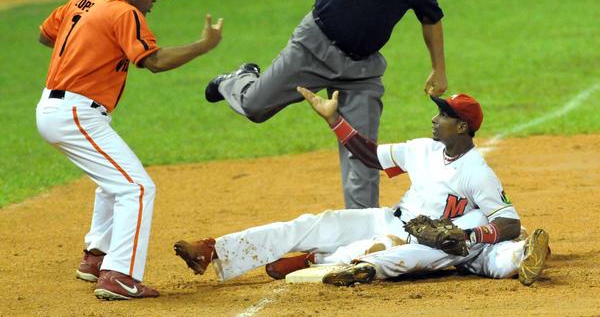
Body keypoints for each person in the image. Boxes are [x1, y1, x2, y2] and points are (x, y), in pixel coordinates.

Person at [173, 88, 550, 286]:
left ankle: (317, 260)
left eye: (444, 116)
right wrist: (335, 120)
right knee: (316, 223)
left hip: (426, 243)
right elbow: (370, 155)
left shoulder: (476, 171)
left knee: (377, 254)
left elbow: (508, 222)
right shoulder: (422, 148)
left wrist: (468, 235)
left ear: (463, 127)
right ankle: (214, 250)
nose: (434, 119)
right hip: (390, 219)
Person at [204, 0, 448, 209]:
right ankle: (238, 80)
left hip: (362, 72)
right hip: (313, 48)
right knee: (254, 107)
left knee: (362, 154)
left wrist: (438, 69)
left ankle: (362, 240)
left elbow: (431, 19)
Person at [36, 0, 223, 300]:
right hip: (75, 113)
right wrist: (203, 46)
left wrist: (90, 47)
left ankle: (96, 258)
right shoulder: (125, 12)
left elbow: (46, 34)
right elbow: (154, 62)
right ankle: (119, 275)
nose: (153, 3)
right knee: (136, 188)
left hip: (55, 107)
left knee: (114, 183)